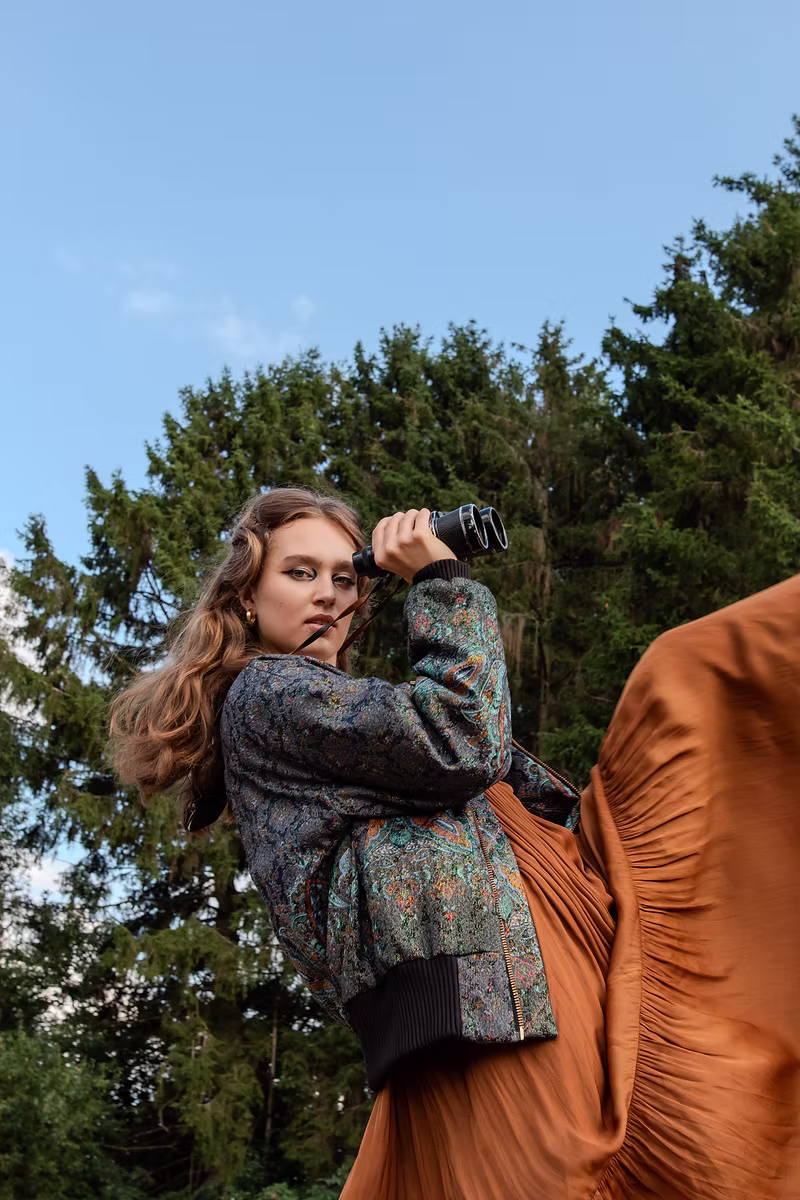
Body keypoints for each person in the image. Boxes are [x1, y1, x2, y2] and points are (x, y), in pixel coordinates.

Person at [111, 486, 800, 1199]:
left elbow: (522, 791)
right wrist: (441, 581)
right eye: (299, 572)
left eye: (344, 577)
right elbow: (464, 738)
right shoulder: (268, 693)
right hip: (483, 1008)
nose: (326, 594)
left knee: (697, 674)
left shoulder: (351, 710)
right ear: (246, 598)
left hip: (535, 973)